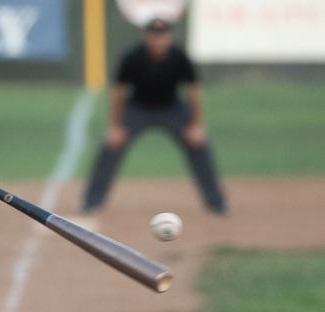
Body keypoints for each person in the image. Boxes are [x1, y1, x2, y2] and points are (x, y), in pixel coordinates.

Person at [80, 17, 228, 215]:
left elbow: (194, 92)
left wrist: (196, 126)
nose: (158, 40)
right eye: (154, 36)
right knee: (111, 144)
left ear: (169, 37)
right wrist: (115, 127)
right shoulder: (132, 57)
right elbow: (118, 93)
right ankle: (91, 202)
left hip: (172, 108)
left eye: (162, 36)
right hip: (138, 108)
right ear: (146, 36)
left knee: (199, 143)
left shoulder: (179, 56)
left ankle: (217, 203)